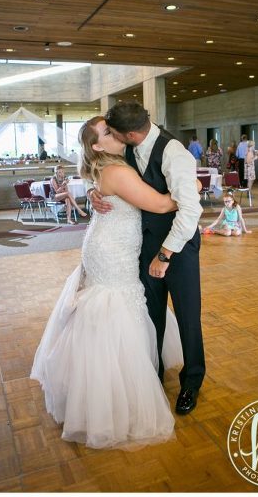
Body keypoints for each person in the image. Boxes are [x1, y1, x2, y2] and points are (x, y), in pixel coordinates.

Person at [32, 116, 183, 449]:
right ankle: (114, 396)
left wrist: (91, 192)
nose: (114, 133)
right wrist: (193, 190)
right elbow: (160, 204)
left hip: (105, 244)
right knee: (116, 310)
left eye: (113, 128)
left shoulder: (107, 166)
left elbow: (102, 187)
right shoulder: (116, 171)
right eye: (106, 132)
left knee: (111, 308)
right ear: (97, 145)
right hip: (112, 250)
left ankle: (96, 385)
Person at [90, 102, 204, 415]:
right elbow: (103, 174)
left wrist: (165, 255)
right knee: (150, 314)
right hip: (141, 246)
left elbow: (190, 212)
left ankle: (192, 381)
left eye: (113, 133)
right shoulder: (124, 147)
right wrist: (93, 193)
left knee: (187, 315)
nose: (112, 137)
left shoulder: (173, 152)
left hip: (178, 248)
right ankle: (153, 373)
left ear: (129, 134)